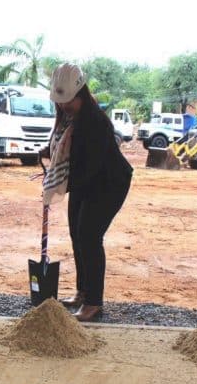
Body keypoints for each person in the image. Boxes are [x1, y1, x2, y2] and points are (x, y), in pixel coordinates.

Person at [42, 63, 133, 322]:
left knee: (89, 236)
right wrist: (46, 154)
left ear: (81, 94)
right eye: (60, 101)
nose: (63, 106)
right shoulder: (69, 117)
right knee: (76, 233)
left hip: (109, 183)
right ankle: (83, 291)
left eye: (68, 100)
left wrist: (55, 184)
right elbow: (64, 148)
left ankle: (94, 303)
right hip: (83, 181)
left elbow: (89, 167)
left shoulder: (96, 122)